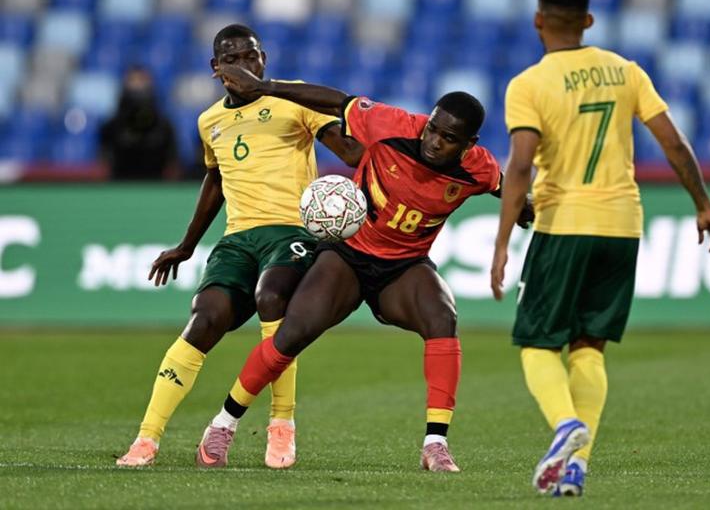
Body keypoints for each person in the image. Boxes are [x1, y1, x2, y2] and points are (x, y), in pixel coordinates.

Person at [192, 64, 531, 471]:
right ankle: (223, 424)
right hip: (348, 255)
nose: (435, 142)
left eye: (448, 138)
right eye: (433, 129)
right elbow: (337, 100)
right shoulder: (393, 125)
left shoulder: (476, 166)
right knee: (292, 334)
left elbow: (502, 183)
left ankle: (435, 445)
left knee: (443, 316)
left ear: (468, 143)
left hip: (404, 267)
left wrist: (523, 206)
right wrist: (265, 87)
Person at [490, 0, 710, 496]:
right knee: (589, 346)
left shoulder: (529, 84)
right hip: (623, 224)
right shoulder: (625, 71)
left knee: (536, 341)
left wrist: (503, 241)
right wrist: (704, 205)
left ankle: (564, 425)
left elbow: (522, 165)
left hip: (564, 224)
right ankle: (577, 466)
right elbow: (673, 142)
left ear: (538, 20)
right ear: (589, 21)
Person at [116, 24, 361, 469]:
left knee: (273, 297)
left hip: (292, 233)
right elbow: (216, 179)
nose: (245, 66)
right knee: (203, 319)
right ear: (216, 69)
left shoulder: (294, 96)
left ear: (263, 59)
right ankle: (147, 438)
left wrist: (375, 153)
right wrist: (187, 245)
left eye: (252, 56)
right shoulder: (209, 121)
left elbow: (348, 151)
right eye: (233, 59)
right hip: (237, 239)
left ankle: (282, 425)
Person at [99, 66, 178, 180]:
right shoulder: (112, 126)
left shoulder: (164, 126)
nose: (137, 86)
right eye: (133, 80)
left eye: (141, 80)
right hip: (119, 184)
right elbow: (104, 160)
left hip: (156, 186)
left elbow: (173, 162)